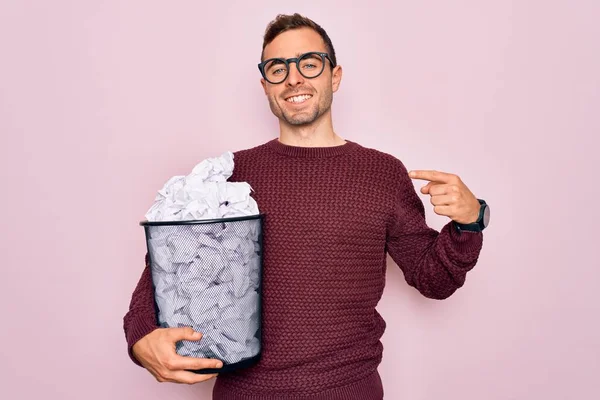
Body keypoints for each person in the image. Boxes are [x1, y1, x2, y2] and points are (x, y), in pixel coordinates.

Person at [123, 13, 489, 400]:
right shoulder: (228, 176)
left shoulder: (382, 173)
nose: (294, 78)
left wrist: (469, 223)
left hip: (349, 390)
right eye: (278, 69)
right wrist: (140, 336)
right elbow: (167, 272)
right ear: (265, 86)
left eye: (309, 64)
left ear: (335, 76)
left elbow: (434, 280)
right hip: (244, 393)